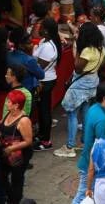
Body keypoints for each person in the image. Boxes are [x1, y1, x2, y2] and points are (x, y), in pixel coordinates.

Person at [55, 22, 105, 158]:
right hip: (93, 82)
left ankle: (70, 146)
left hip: (81, 84)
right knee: (85, 113)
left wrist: (77, 49)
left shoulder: (86, 51)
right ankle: (84, 142)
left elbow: (77, 67)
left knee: (72, 113)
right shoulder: (101, 48)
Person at [70, 82, 105, 204]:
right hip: (90, 165)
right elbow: (103, 149)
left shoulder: (93, 109)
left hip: (86, 159)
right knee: (82, 197)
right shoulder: (102, 120)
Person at [0, 89, 33, 204]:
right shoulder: (9, 113)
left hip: (19, 156)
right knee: (1, 177)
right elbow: (1, 125)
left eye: (9, 102)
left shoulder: (24, 120)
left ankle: (15, 200)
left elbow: (28, 141)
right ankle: (11, 198)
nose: (7, 103)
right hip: (5, 153)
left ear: (16, 105)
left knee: (17, 179)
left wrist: (11, 148)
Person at [33, 17, 61, 151]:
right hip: (45, 80)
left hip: (45, 81)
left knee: (44, 110)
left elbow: (39, 68)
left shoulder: (48, 47)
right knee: (42, 109)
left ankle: (45, 140)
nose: (39, 29)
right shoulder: (45, 41)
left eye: (41, 27)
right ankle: (41, 134)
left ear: (47, 31)